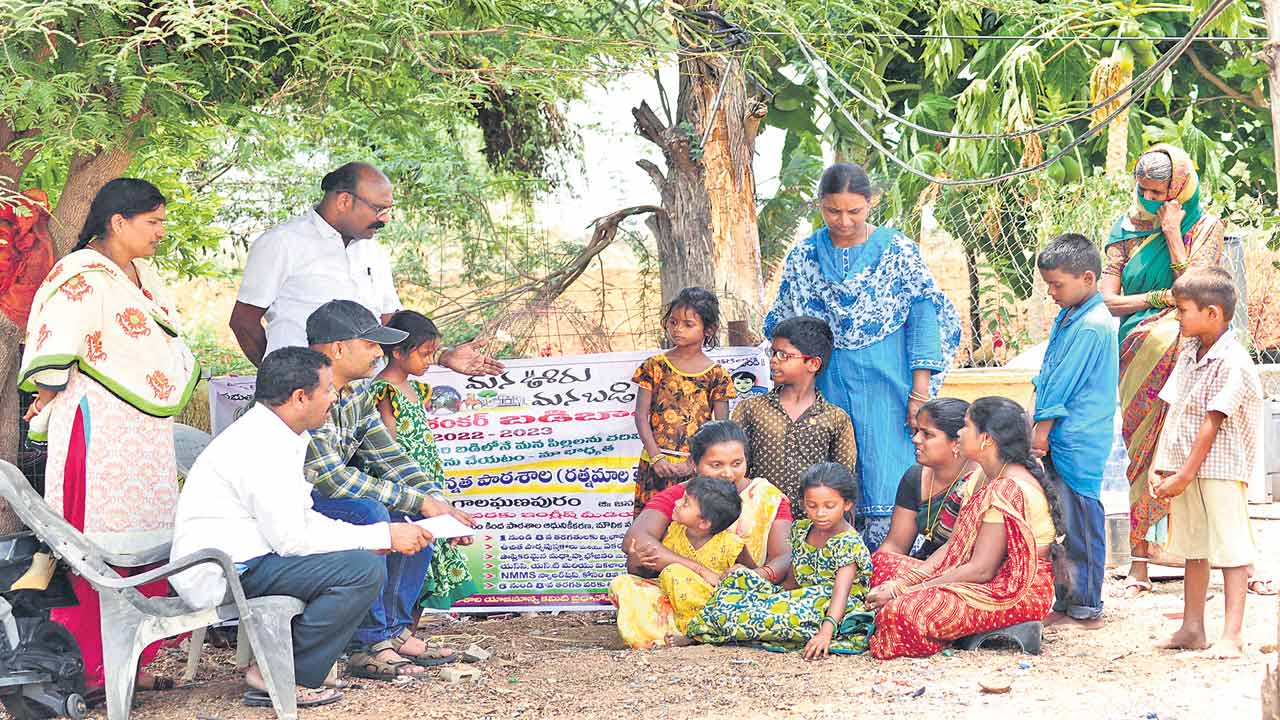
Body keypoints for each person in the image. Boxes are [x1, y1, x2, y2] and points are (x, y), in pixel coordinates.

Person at [170, 348, 435, 708]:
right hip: (226, 569)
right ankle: (280, 671)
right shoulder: (260, 444)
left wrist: (374, 538)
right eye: (327, 390)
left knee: (361, 558)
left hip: (253, 558)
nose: (334, 398)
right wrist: (380, 536)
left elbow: (303, 518)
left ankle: (292, 664)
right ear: (299, 398)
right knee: (361, 571)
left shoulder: (281, 435)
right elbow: (292, 539)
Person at [18, 178, 199, 693]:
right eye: (153, 222)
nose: (161, 231)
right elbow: (55, 348)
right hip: (97, 428)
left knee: (147, 533)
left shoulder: (143, 274)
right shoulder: (79, 274)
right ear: (118, 222)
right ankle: (86, 669)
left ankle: (129, 663)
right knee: (93, 540)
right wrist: (46, 398)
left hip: (146, 432)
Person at [764, 163, 960, 550]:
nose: (844, 221)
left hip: (890, 387)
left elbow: (923, 317)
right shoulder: (804, 256)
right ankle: (831, 567)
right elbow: (785, 323)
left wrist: (919, 393)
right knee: (830, 478)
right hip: (827, 385)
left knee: (889, 471)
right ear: (820, 205)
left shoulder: (898, 251)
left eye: (854, 211)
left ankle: (890, 564)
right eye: (833, 211)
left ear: (871, 203)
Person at [303, 299, 498, 679]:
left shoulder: (356, 393)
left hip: (327, 501)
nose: (379, 353)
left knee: (412, 516)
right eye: (370, 345)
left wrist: (438, 504)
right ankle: (370, 643)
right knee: (371, 512)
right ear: (339, 349)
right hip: (292, 507)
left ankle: (395, 630)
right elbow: (330, 479)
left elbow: (389, 455)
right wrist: (420, 500)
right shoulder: (305, 390)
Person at [1098, 144, 1227, 598]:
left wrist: (1173, 235)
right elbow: (1108, 300)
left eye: (1159, 192)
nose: (1150, 200)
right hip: (1135, 355)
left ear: (1181, 188)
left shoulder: (1206, 228)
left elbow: (1197, 292)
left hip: (1190, 357)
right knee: (1140, 455)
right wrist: (1160, 299)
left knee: (1187, 454)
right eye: (1144, 191)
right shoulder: (1124, 230)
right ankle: (1139, 564)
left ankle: (1197, 561)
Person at [866, 397, 1063, 660]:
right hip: (979, 577)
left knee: (900, 613)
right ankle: (963, 627)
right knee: (883, 565)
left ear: (986, 439)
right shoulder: (981, 477)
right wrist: (900, 583)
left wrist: (905, 592)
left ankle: (968, 628)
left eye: (967, 426)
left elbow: (981, 569)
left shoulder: (1007, 488)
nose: (959, 432)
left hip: (1013, 592)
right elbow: (953, 546)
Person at [1149, 268, 1262, 658]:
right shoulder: (1189, 354)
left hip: (1220, 470)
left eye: (1182, 310)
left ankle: (1232, 635)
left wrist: (1184, 474)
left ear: (1212, 313)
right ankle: (1192, 627)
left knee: (1231, 550)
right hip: (1185, 466)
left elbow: (1212, 422)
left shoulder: (1233, 361)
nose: (1177, 317)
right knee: (1195, 547)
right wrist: (1161, 465)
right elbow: (1174, 410)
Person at [619, 421, 793, 640]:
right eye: (716, 465)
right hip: (678, 594)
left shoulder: (767, 497)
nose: (728, 473)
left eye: (737, 463)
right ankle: (698, 629)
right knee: (626, 587)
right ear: (694, 464)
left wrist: (753, 576)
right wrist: (699, 570)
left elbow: (784, 555)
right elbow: (635, 540)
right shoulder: (683, 496)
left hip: (737, 593)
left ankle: (697, 630)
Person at [685, 463, 875, 659]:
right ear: (803, 503)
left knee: (773, 615)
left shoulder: (849, 542)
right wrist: (773, 597)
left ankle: (708, 631)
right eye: (812, 506)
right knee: (738, 578)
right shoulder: (802, 529)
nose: (820, 513)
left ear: (847, 504)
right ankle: (700, 629)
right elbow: (792, 579)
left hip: (831, 609)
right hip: (801, 597)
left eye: (829, 506)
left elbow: (841, 593)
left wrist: (825, 633)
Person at [230, 162, 402, 366]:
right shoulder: (282, 242)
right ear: (344, 201)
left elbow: (389, 318)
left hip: (367, 382)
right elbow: (244, 322)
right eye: (379, 209)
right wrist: (280, 375)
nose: (386, 219)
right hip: (301, 383)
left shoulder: (373, 251)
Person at [1031, 234, 1119, 630]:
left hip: (1078, 440)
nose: (1052, 293)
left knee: (1081, 523)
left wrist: (1042, 427)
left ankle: (1086, 607)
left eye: (1057, 285)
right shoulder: (1071, 316)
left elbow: (1063, 382)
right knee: (1062, 523)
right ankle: (1066, 601)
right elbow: (1050, 374)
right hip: (1063, 437)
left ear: (1087, 278)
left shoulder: (1091, 326)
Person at [372, 310, 477, 614]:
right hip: (403, 490)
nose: (430, 361)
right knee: (403, 566)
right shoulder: (385, 390)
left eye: (433, 353)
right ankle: (394, 631)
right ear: (397, 352)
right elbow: (386, 450)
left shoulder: (416, 389)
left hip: (426, 483)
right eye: (425, 353)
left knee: (425, 562)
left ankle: (406, 631)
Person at [731, 316, 857, 509]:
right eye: (772, 353)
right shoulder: (750, 409)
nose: (773, 360)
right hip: (758, 518)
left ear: (813, 364)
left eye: (783, 355)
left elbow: (843, 480)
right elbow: (733, 465)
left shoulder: (835, 419)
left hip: (814, 521)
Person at [609, 476, 750, 648]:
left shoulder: (732, 544)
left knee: (674, 571)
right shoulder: (672, 532)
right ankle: (652, 637)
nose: (676, 503)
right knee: (623, 583)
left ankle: (694, 633)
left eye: (685, 503)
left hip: (710, 609)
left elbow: (752, 576)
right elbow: (645, 574)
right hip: (671, 605)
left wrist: (740, 571)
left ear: (704, 523)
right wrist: (636, 559)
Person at [631, 287, 735, 513]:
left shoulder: (717, 375)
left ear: (708, 329)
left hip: (696, 469)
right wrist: (656, 457)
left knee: (692, 521)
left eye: (688, 324)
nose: (677, 329)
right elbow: (640, 416)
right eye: (673, 322)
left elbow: (720, 428)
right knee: (651, 524)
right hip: (655, 465)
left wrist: (694, 462)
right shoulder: (654, 366)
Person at [878, 398, 981, 560]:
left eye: (927, 434)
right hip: (925, 564)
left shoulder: (980, 482)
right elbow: (896, 545)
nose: (916, 439)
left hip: (965, 568)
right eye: (916, 431)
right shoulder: (915, 477)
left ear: (956, 442)